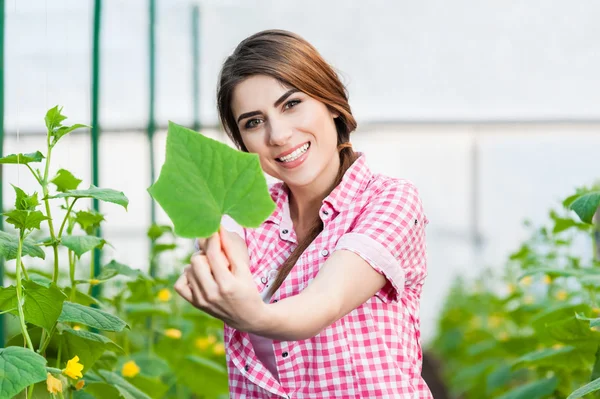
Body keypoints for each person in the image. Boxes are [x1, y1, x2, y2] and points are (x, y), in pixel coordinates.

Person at [174, 29, 433, 398]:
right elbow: (222, 242)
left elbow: (325, 302)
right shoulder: (249, 213)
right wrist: (214, 255)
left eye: (292, 104)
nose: (278, 135)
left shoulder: (389, 200)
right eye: (253, 122)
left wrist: (254, 316)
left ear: (330, 102)